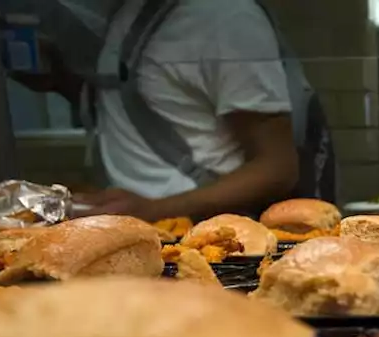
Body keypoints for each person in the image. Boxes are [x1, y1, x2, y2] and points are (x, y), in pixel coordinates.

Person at [66, 0, 299, 221]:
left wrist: (154, 211)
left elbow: (277, 167)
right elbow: (151, 106)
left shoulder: (226, 18)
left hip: (204, 238)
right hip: (131, 227)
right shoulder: (127, 11)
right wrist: (62, 81)